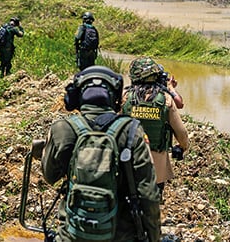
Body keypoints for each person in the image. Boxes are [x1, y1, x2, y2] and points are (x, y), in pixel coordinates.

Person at [41, 66, 161, 242]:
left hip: (72, 233)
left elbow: (50, 176)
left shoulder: (62, 128)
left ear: (77, 96)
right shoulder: (132, 131)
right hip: (120, 236)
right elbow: (148, 194)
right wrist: (154, 236)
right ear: (115, 98)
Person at [122, 57, 189, 195]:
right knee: (153, 205)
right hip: (156, 168)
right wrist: (182, 147)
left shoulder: (124, 97)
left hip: (127, 162)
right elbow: (181, 133)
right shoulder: (165, 99)